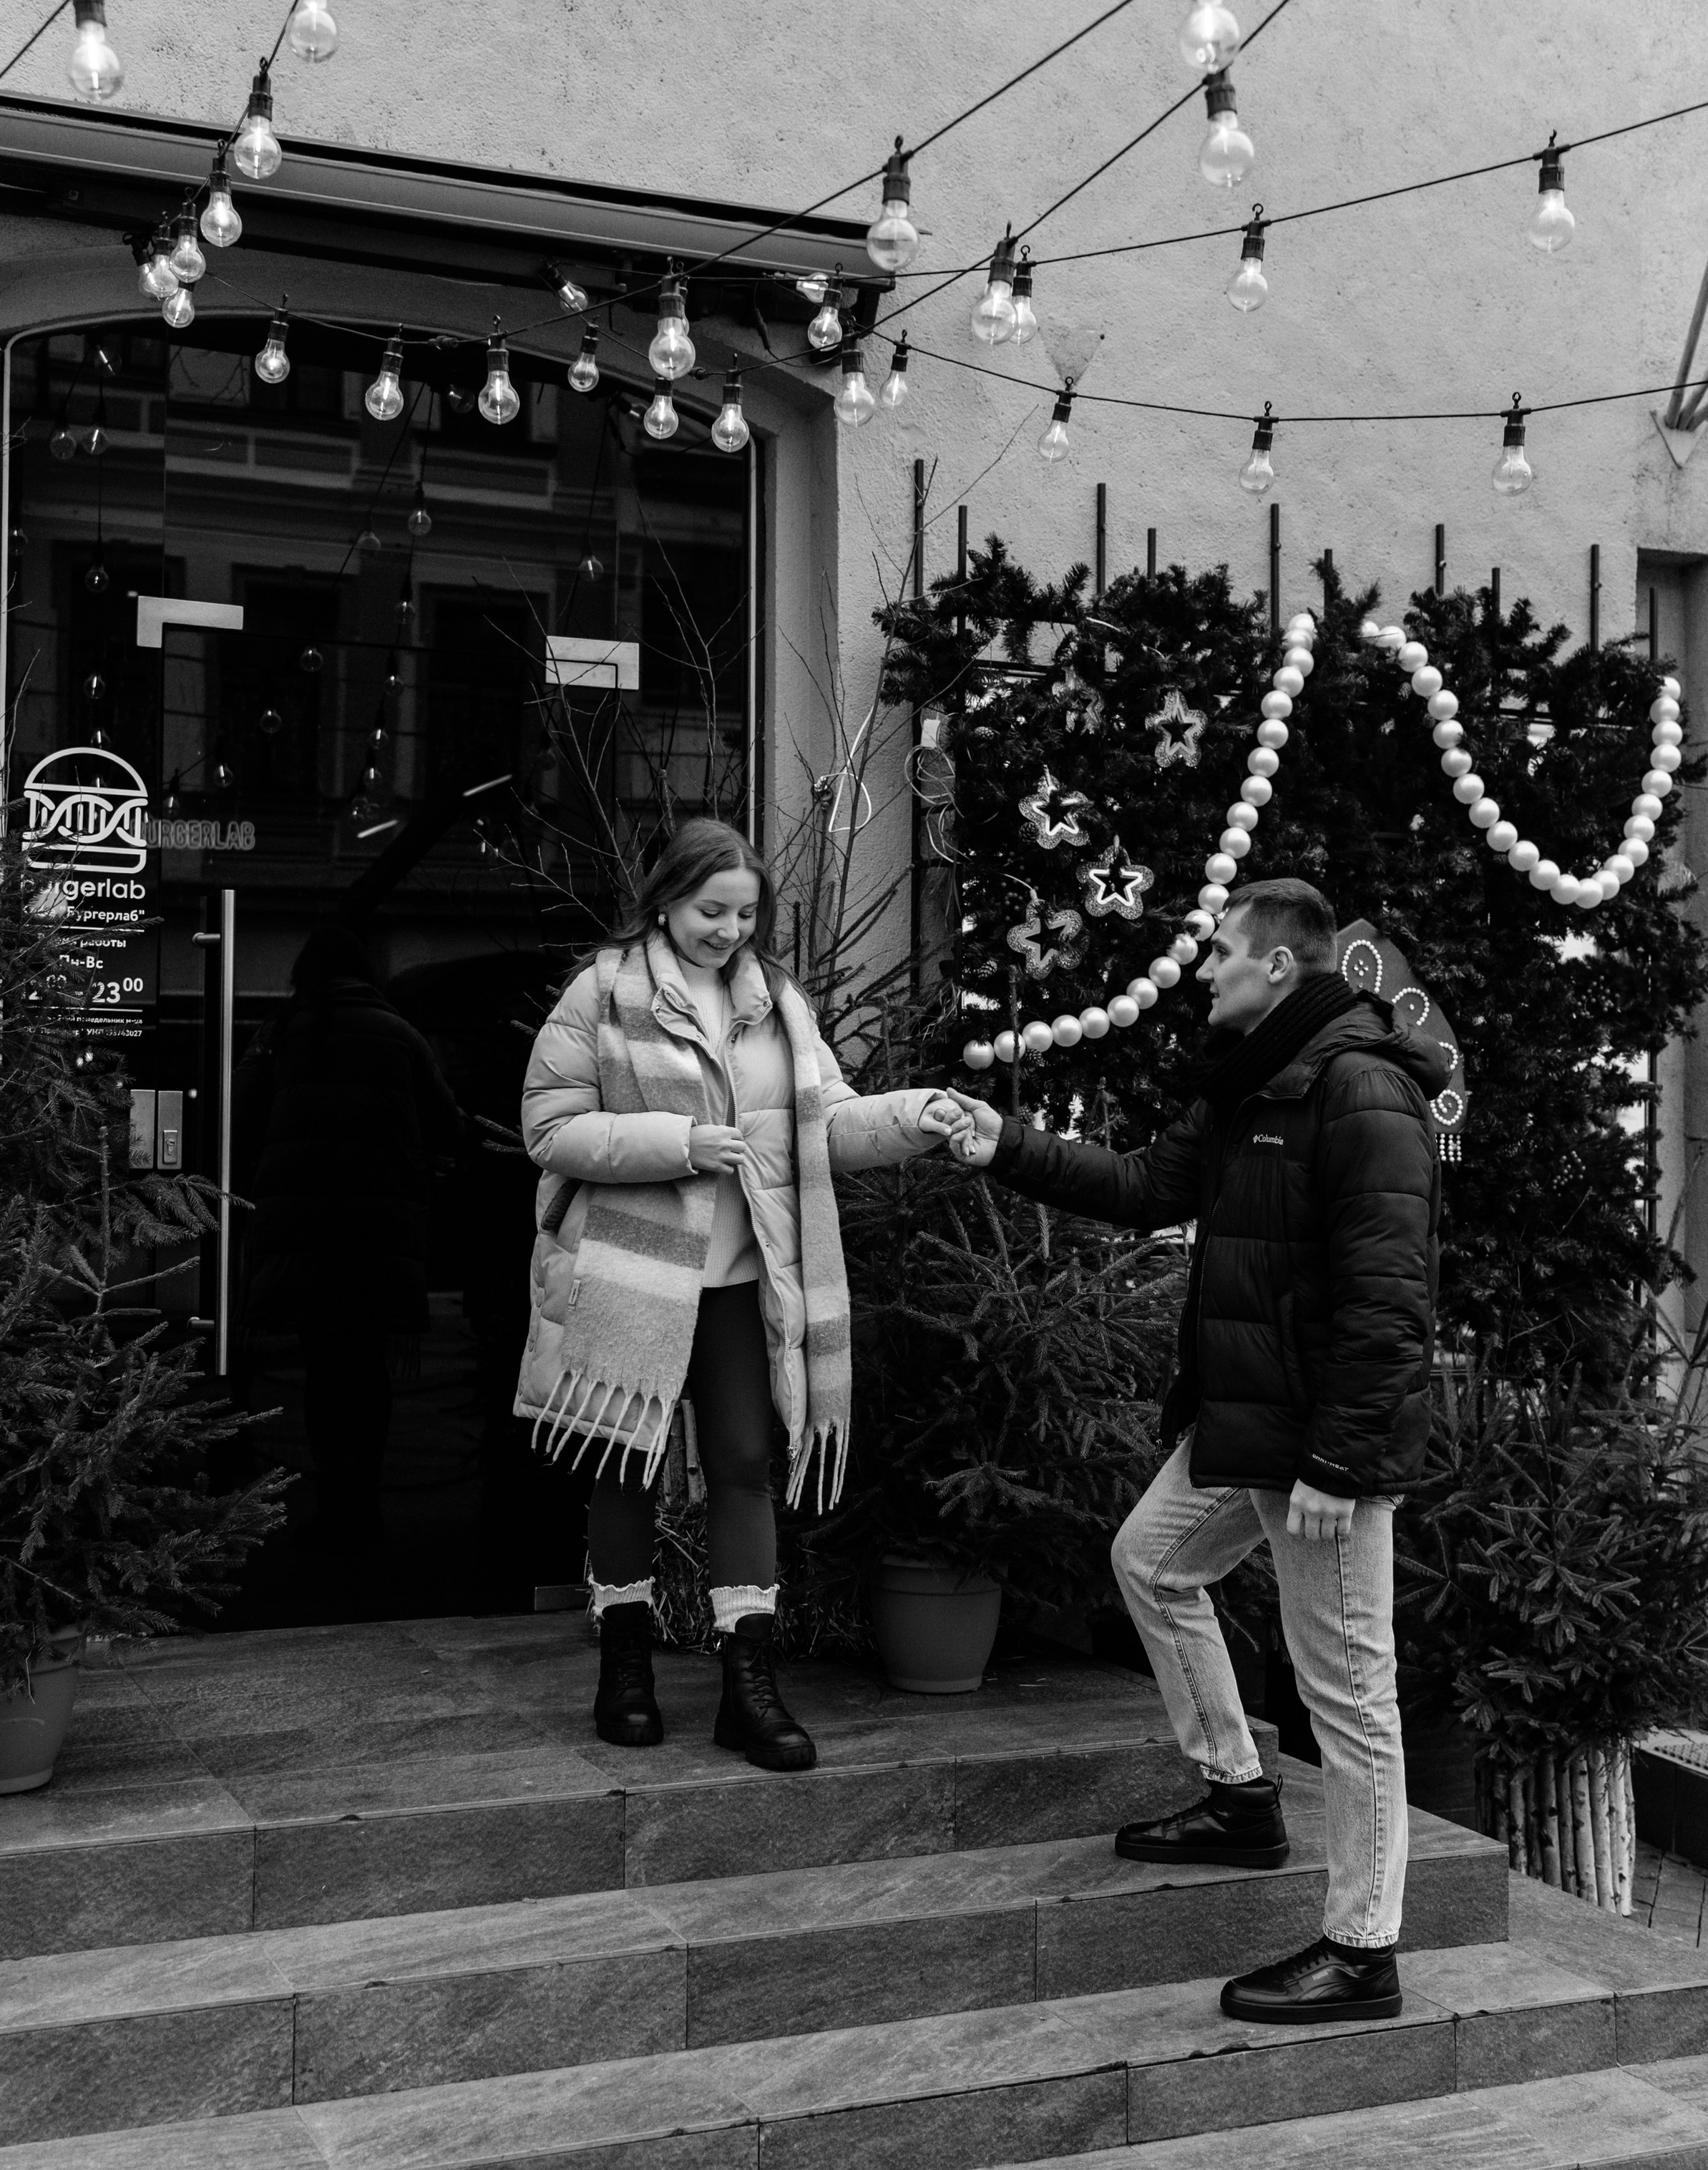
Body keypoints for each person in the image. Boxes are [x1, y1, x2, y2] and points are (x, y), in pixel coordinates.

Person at [946, 878, 1441, 2025]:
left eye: (1219, 952)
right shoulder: (1253, 1085)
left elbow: (1388, 1299)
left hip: (1318, 1451)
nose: (1202, 969)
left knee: (1353, 1695)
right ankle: (1239, 1796)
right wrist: (1000, 1143)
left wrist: (1341, 1464)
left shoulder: (1360, 1090)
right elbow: (1140, 1187)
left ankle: (1363, 1951)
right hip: (1246, 1429)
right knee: (1155, 1565)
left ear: (1277, 965)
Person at [518, 817, 959, 1769]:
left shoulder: (779, 1005)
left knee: (744, 1463)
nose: (727, 929)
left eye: (745, 913)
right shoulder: (601, 992)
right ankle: (624, 1666)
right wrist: (677, 1145)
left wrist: (914, 1119)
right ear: (666, 901)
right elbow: (549, 1129)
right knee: (622, 1462)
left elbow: (827, 1123)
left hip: (741, 1278)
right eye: (710, 909)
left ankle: (746, 1686)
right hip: (633, 1271)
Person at [235, 922, 470, 1547]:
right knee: (369, 1371)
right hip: (375, 1237)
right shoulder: (399, 1036)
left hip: (304, 1237)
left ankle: (331, 1498)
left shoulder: (284, 1035)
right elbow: (448, 1126)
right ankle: (362, 1500)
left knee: (322, 1370)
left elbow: (237, 1119)